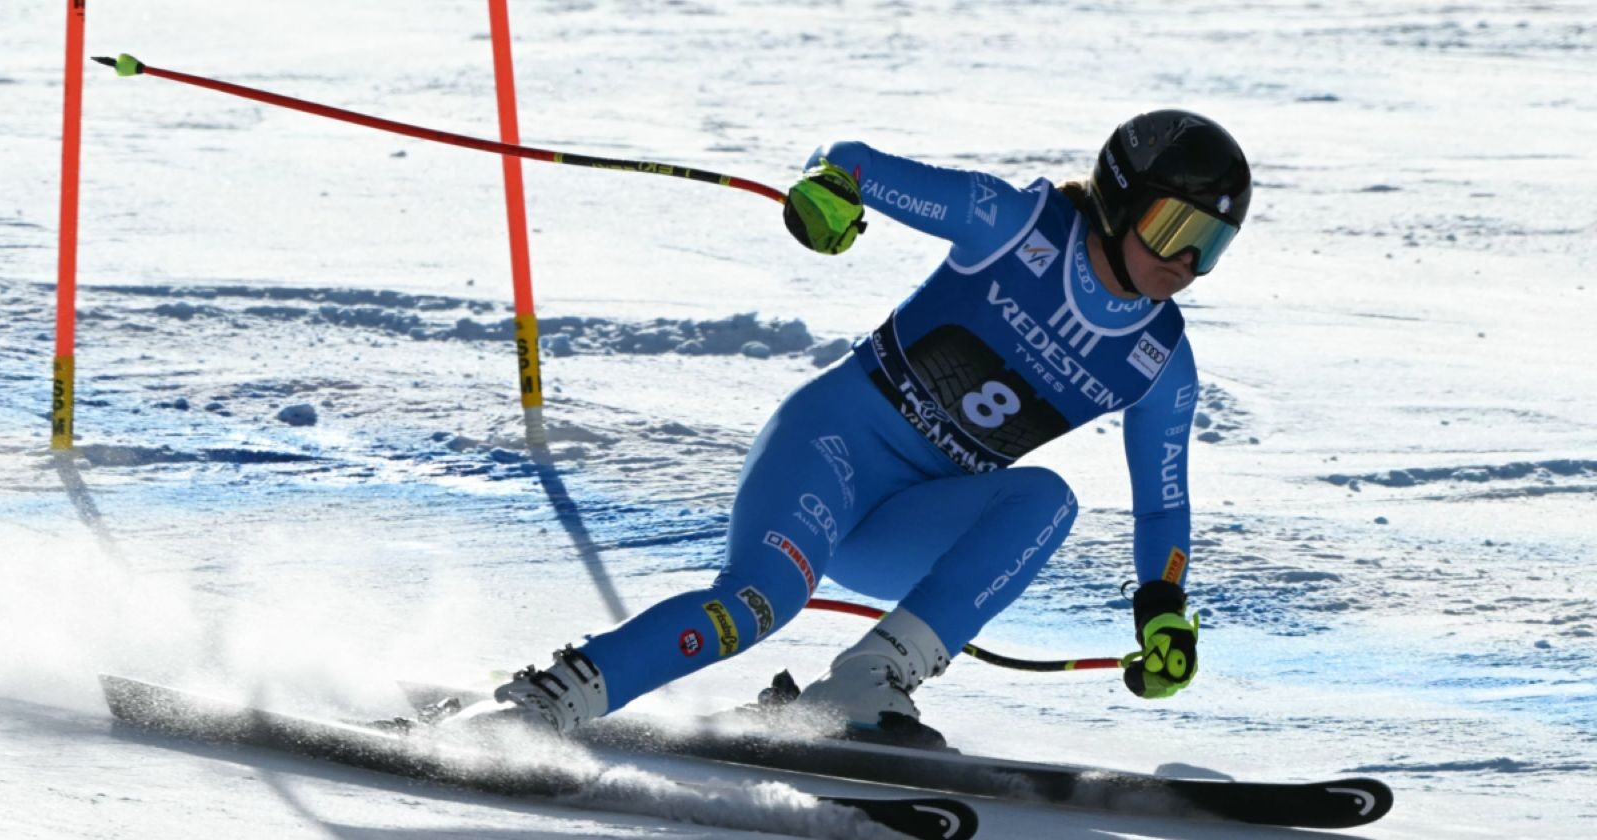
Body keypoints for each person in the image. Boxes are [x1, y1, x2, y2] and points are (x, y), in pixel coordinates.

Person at [489, 109, 1251, 745]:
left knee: (1048, 499)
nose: (1185, 260)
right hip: (830, 451)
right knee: (759, 603)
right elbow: (851, 161)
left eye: (1209, 245)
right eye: (1172, 227)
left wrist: (1163, 612)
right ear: (1121, 199)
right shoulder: (1014, 224)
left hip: (908, 524)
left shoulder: (1159, 360)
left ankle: (867, 679)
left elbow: (1161, 506)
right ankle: (544, 704)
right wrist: (830, 191)